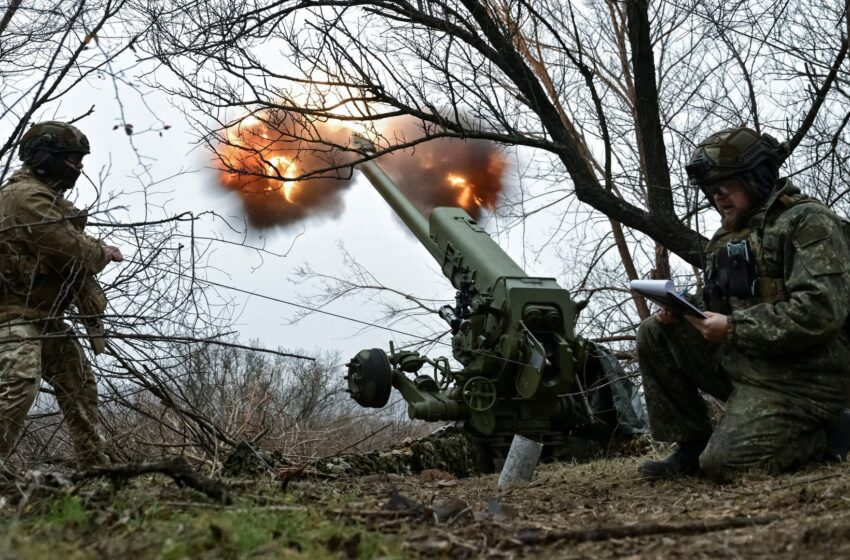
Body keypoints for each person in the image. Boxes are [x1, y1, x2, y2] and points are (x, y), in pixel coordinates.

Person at [637, 126, 850, 482]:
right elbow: (719, 302)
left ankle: (829, 434)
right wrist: (683, 308)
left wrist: (734, 328)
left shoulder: (808, 221)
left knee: (726, 463)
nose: (717, 197)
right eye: (711, 190)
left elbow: (821, 311)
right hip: (749, 361)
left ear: (756, 178)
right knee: (655, 331)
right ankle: (692, 443)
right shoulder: (726, 235)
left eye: (725, 186)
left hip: (805, 379)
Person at [0, 121, 123, 468]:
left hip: (43, 318)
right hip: (12, 316)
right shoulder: (24, 196)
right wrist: (102, 251)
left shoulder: (47, 196)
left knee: (79, 383)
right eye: (71, 158)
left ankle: (96, 466)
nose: (78, 167)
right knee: (19, 385)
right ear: (45, 157)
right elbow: (65, 245)